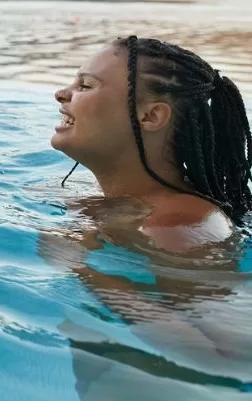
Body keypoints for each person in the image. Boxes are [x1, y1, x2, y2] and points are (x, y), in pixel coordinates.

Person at [51, 35, 251, 253]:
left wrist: (78, 253)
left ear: (150, 116)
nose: (60, 94)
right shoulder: (98, 198)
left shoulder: (182, 227)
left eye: (86, 85)